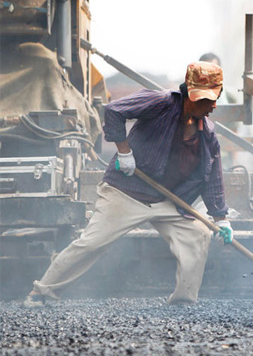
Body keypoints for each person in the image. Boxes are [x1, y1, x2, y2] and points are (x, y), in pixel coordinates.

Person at [23, 62, 234, 307]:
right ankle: (42, 292)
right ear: (191, 94)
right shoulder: (162, 103)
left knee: (197, 235)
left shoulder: (207, 133)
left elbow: (212, 177)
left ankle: (183, 302)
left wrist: (221, 219)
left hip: (166, 200)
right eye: (208, 100)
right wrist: (124, 153)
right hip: (126, 193)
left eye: (215, 98)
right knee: (91, 243)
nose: (214, 106)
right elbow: (114, 111)